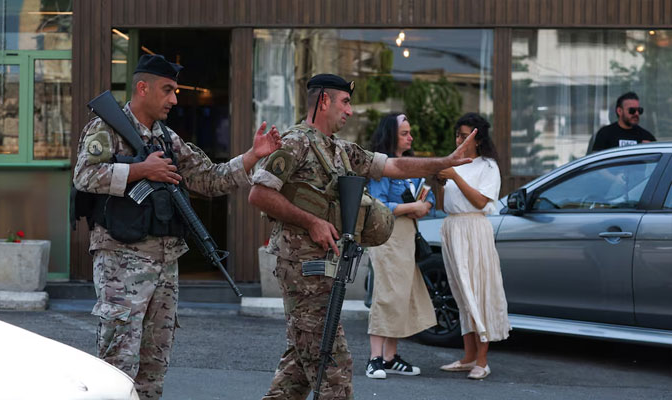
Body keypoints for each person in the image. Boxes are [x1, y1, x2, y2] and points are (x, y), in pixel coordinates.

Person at [248, 73, 477, 399]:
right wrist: (312, 221)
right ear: (324, 101)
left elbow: (393, 167)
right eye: (345, 102)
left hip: (327, 268)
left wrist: (444, 162)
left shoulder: (340, 150)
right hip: (302, 269)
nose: (350, 110)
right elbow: (259, 194)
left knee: (297, 370)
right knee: (334, 366)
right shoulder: (295, 143)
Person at [72, 54, 281, 400]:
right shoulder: (105, 128)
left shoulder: (167, 138)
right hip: (121, 261)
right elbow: (83, 176)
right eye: (168, 90)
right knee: (118, 363)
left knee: (154, 363)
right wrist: (141, 171)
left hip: (165, 263)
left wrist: (251, 156)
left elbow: (208, 178)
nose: (174, 99)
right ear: (143, 88)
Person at [436, 112, 510, 380]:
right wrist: (442, 182)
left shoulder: (487, 166)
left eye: (464, 134)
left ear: (477, 139)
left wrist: (455, 176)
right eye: (457, 134)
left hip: (475, 228)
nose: (459, 139)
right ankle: (468, 357)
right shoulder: (454, 164)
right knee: (461, 292)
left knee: (478, 289)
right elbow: (444, 204)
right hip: (453, 227)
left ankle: (482, 359)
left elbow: (480, 202)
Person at [364, 113, 438, 379]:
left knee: (402, 295)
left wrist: (425, 206)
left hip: (406, 236)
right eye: (405, 133)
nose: (410, 137)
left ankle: (390, 356)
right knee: (387, 294)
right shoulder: (381, 165)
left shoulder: (408, 164)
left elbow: (425, 195)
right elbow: (377, 204)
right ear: (391, 135)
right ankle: (374, 358)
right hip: (386, 235)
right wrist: (413, 207)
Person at [589, 91, 656, 154]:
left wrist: (649, 149)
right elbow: (595, 161)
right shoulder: (605, 134)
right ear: (619, 111)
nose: (636, 114)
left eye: (639, 110)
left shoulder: (646, 137)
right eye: (632, 110)